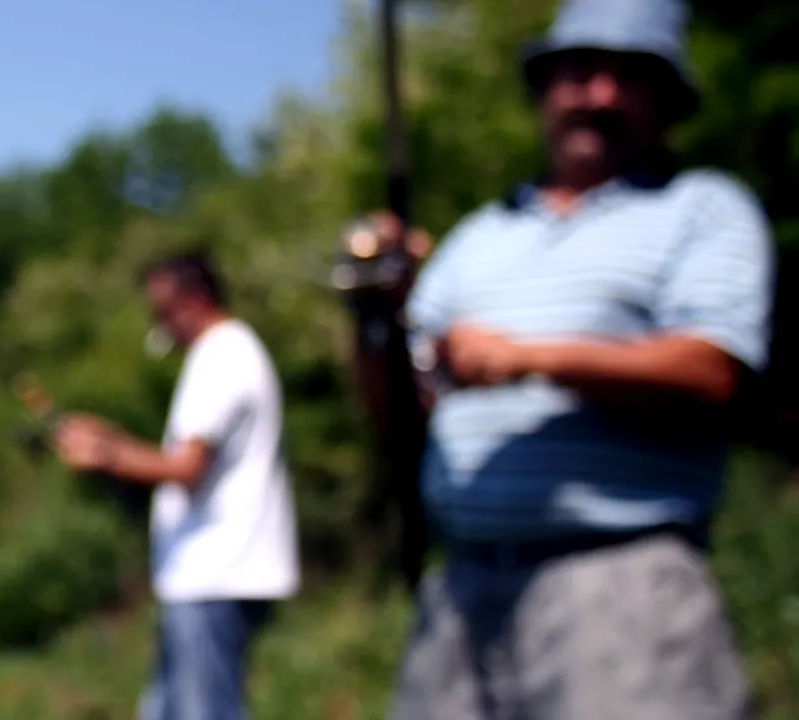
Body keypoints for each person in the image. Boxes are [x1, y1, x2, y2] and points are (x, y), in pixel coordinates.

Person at [351, 0, 776, 718]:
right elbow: (403, 415)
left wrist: (529, 361)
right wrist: (372, 316)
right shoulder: (479, 237)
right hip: (459, 597)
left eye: (629, 76)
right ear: (546, 90)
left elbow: (711, 370)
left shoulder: (701, 209)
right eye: (580, 72)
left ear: (667, 99)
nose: (600, 95)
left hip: (621, 591)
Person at [53, 250, 300, 720]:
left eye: (164, 310)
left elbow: (187, 468)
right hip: (203, 577)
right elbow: (185, 459)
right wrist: (110, 438)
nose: (161, 324)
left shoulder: (223, 355)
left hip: (216, 574)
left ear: (196, 297)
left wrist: (105, 454)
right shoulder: (227, 352)